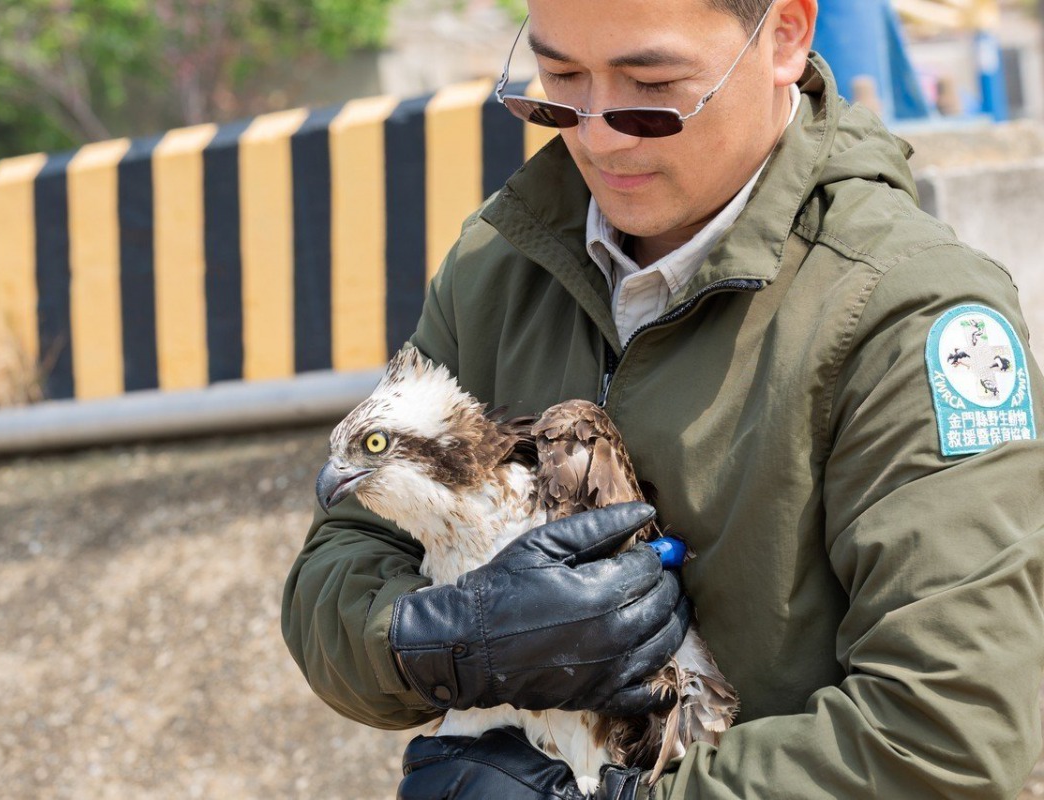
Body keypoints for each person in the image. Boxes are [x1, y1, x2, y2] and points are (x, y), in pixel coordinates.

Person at [282, 0, 1044, 797]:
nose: (597, 133)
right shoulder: (498, 263)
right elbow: (336, 567)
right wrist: (443, 640)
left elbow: (947, 732)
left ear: (784, 34)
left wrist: (615, 798)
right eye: (560, 80)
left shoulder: (909, 313)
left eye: (650, 89)